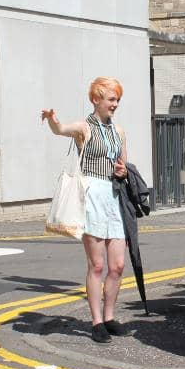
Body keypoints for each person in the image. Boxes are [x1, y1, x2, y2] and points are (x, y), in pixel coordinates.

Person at [42, 77, 129, 344]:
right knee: (97, 264)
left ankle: (110, 316)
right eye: (111, 99)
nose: (115, 104)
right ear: (96, 99)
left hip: (113, 197)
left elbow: (123, 163)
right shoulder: (84, 127)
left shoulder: (119, 131)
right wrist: (52, 119)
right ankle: (96, 321)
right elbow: (61, 130)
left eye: (117, 100)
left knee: (117, 265)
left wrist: (122, 169)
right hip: (91, 195)